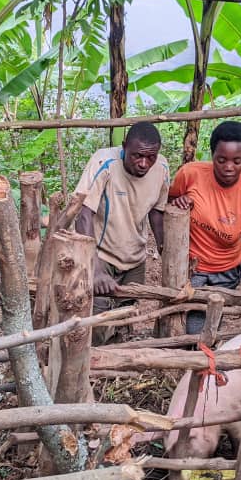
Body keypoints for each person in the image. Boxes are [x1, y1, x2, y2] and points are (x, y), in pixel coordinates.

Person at [168, 120, 241, 335]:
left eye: (237, 161)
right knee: (182, 322)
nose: (229, 167)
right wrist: (179, 202)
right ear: (212, 154)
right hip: (191, 267)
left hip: (225, 271)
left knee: (207, 324)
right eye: (221, 160)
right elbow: (168, 201)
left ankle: (201, 351)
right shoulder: (190, 174)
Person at [74, 122, 169, 344]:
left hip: (135, 257)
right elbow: (84, 214)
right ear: (125, 146)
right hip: (101, 254)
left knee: (124, 319)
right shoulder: (104, 162)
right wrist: (95, 268)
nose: (144, 163)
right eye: (137, 156)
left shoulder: (161, 168)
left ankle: (116, 358)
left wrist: (166, 250)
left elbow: (157, 211)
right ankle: (93, 361)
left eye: (151, 157)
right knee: (96, 323)